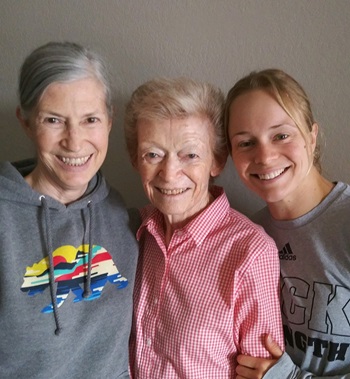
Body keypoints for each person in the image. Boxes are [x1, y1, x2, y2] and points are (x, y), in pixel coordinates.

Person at [124, 77, 284, 378]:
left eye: (190, 155)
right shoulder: (131, 231)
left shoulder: (249, 252)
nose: (169, 174)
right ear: (135, 159)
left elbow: (262, 372)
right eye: (153, 154)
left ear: (217, 160)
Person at [0, 41, 139, 378]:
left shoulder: (122, 214)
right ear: (27, 122)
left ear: (108, 121)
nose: (74, 142)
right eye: (53, 120)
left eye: (90, 119)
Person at [225, 68, 350, 378]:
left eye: (281, 135)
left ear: (311, 135)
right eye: (245, 143)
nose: (265, 157)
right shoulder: (248, 238)